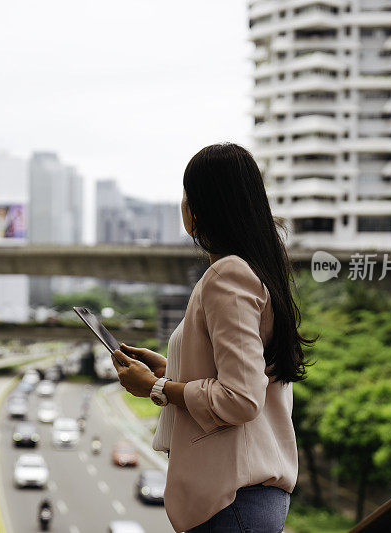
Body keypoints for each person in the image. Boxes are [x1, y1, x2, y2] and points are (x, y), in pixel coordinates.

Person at [112, 143, 314, 533]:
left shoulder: (227, 276)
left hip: (233, 500)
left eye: (186, 195)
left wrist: (158, 388)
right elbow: (244, 373)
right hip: (248, 500)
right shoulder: (256, 269)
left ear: (201, 208)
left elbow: (240, 399)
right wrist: (171, 369)